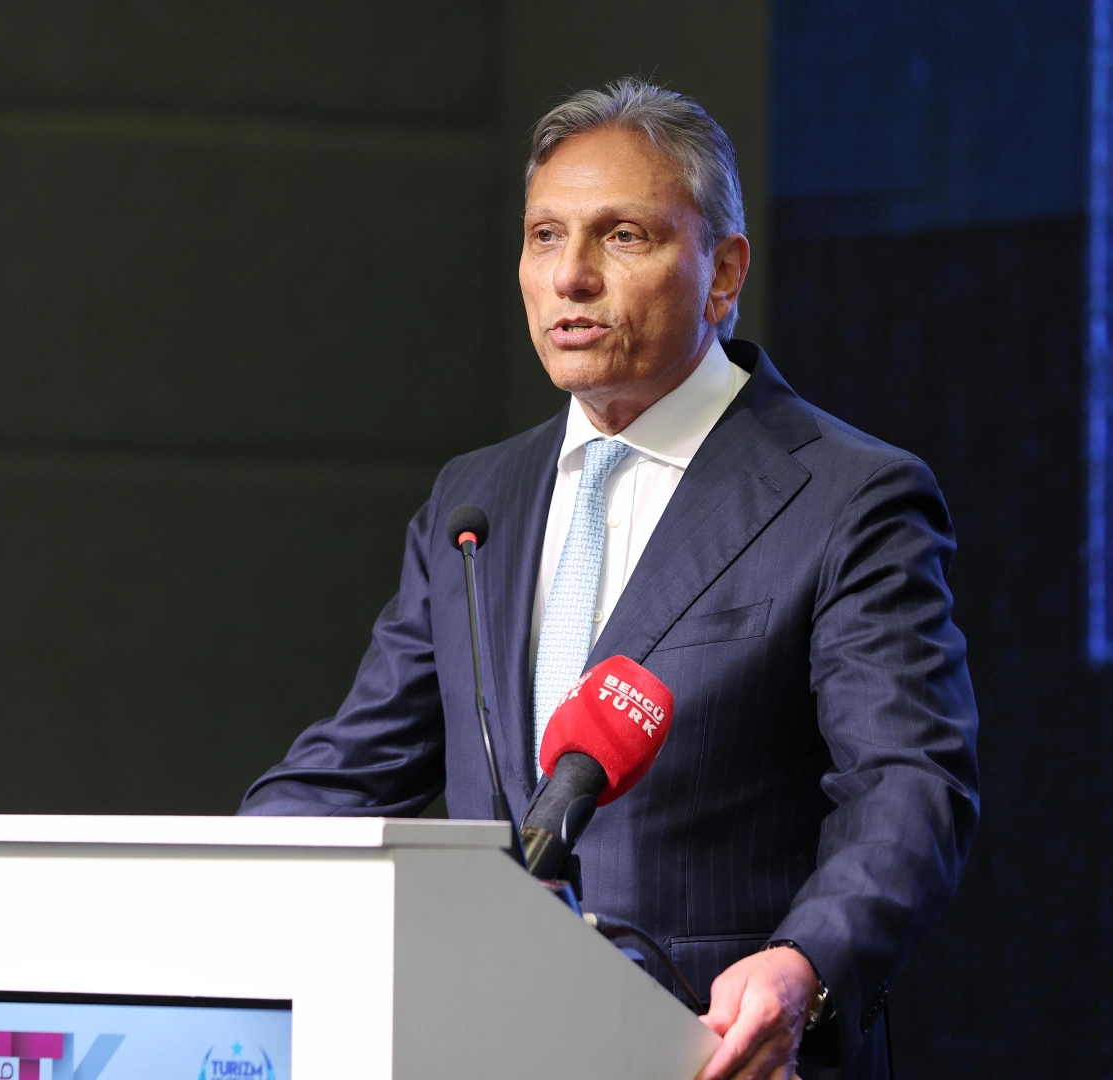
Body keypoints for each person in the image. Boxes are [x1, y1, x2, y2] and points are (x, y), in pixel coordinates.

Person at [238, 77, 978, 1080]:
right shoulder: (476, 501)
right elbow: (350, 775)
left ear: (723, 274)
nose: (570, 276)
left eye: (622, 236)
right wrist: (196, 887)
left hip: (716, 1050)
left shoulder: (851, 496)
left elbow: (907, 785)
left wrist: (805, 965)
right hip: (482, 1044)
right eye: (545, 236)